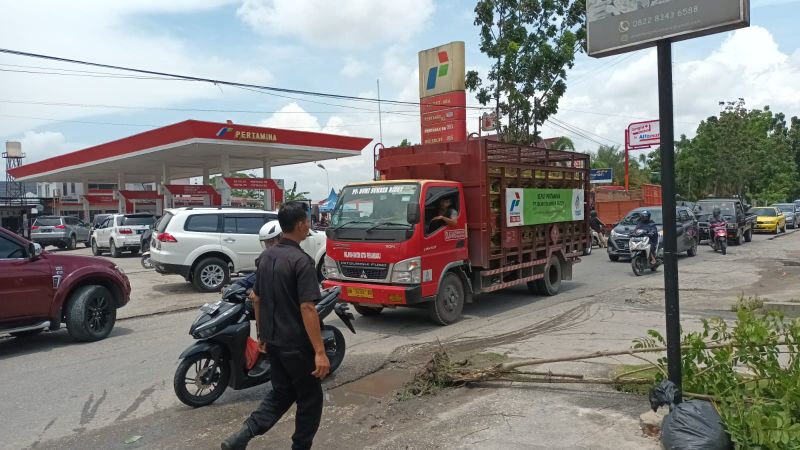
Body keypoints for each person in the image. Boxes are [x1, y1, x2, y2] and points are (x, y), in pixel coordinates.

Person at [222, 202, 330, 450]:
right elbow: (307, 308)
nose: (309, 227)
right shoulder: (301, 261)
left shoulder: (267, 256)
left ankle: (243, 435)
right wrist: (320, 352)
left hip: (273, 343)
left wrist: (262, 336)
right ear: (302, 224)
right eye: (307, 222)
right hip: (296, 346)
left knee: (282, 392)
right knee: (310, 400)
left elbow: (256, 298)